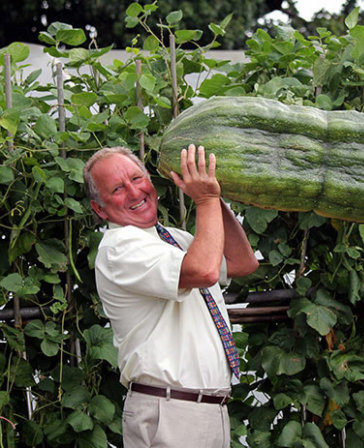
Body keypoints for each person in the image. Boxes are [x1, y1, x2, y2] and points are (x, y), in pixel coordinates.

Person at [83, 144, 259, 448]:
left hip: (201, 410)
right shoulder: (119, 247)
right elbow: (204, 271)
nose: (134, 192)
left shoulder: (173, 239)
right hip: (170, 414)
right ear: (99, 208)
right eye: (117, 188)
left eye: (137, 179)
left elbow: (242, 262)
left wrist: (215, 195)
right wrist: (204, 199)